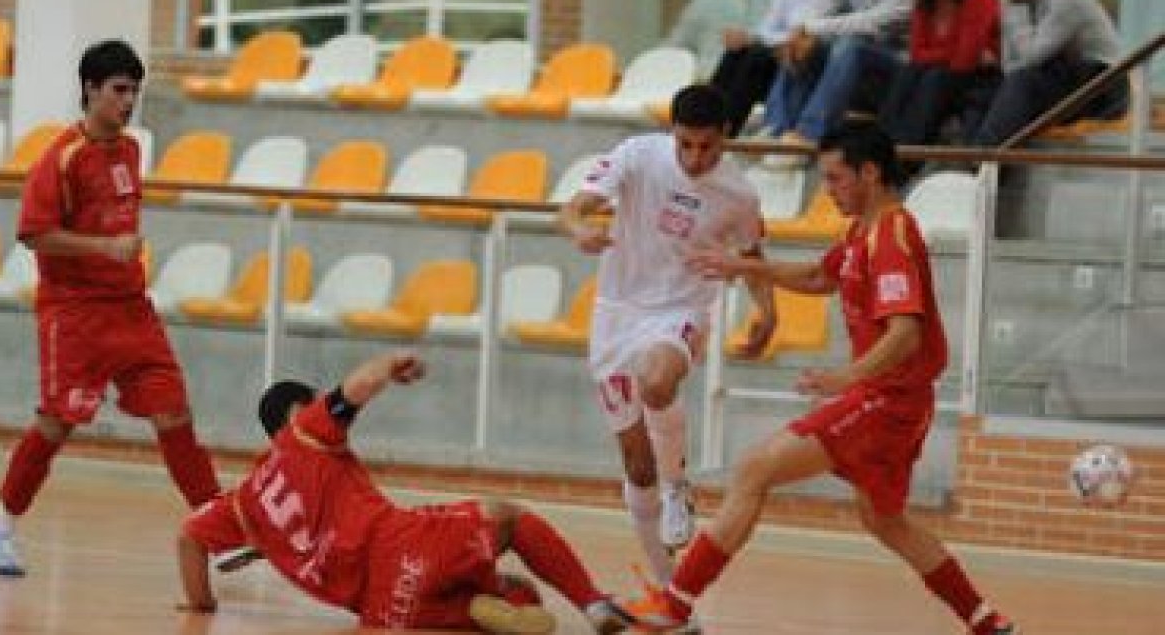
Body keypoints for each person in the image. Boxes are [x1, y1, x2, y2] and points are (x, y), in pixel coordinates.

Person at [624, 122, 1018, 635]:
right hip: (893, 400)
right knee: (885, 522)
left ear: (870, 173)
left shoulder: (893, 236)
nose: (827, 190)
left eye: (835, 179)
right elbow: (817, 277)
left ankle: (674, 606)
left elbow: (906, 332)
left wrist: (847, 377)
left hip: (887, 399)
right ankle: (987, 622)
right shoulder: (863, 232)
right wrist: (742, 267)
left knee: (754, 469)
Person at [0, 40, 221, 578]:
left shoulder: (131, 149)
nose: (128, 101)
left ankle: (217, 525)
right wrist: (102, 248)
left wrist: (121, 257)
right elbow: (34, 235)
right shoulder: (61, 157)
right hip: (75, 315)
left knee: (173, 411)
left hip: (132, 311)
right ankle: (0, 530)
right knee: (56, 423)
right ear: (90, 89)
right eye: (119, 90)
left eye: (135, 91)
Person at [178, 349, 635, 633]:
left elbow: (189, 540)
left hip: (381, 609)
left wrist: (203, 605)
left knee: (516, 595)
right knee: (509, 519)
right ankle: (593, 605)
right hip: (396, 544)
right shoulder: (306, 433)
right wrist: (389, 365)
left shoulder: (242, 503)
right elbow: (356, 388)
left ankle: (476, 601)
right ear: (298, 411)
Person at [558, 84, 774, 619]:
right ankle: (668, 590)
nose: (696, 158)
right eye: (685, 145)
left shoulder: (740, 195)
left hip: (681, 308)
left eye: (707, 147)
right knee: (635, 462)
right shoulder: (637, 155)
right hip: (616, 311)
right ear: (670, 133)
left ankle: (679, 484)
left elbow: (752, 255)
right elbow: (576, 205)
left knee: (658, 381)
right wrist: (578, 228)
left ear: (725, 137)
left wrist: (768, 312)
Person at [969, 0, 1126, 146]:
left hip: (1102, 85)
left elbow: (1030, 59)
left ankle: (983, 158)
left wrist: (1017, 4)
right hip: (1057, 78)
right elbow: (1009, 66)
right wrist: (1015, 3)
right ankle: (969, 157)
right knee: (980, 92)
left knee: (1024, 83)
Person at [763, 0, 916, 151]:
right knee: (803, 45)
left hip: (899, 63)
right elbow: (818, 10)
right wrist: (801, 35)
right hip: (856, 59)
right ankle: (776, 129)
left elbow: (874, 21)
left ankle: (809, 133)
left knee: (850, 47)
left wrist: (809, 28)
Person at [878, 0, 1001, 148]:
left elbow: (964, 61)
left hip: (979, 79)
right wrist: (953, 49)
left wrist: (938, 53)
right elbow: (916, 53)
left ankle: (907, 155)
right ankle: (881, 147)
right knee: (908, 72)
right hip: (939, 73)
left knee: (934, 77)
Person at [710, 0, 839, 136]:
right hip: (782, 59)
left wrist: (761, 39)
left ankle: (725, 130)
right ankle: (703, 120)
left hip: (815, 64)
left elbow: (808, 31)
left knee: (757, 55)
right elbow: (766, 28)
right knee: (736, 51)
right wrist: (749, 38)